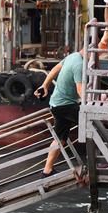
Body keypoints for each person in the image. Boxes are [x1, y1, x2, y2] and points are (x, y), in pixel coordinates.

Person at [35, 48, 85, 177]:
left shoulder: (73, 56)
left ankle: (47, 170)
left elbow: (56, 69)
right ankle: (100, 161)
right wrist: (92, 104)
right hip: (65, 106)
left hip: (57, 104)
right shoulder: (79, 64)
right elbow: (80, 90)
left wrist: (45, 85)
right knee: (93, 125)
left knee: (60, 139)